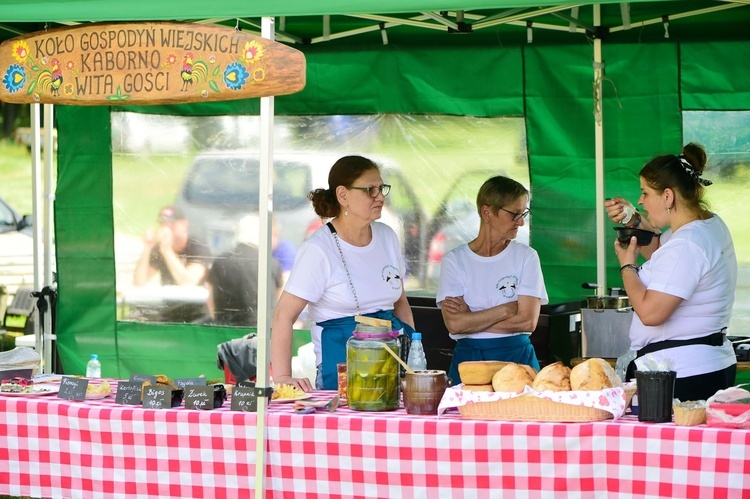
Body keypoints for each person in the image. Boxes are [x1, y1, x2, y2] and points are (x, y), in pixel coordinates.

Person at [604, 143, 737, 401]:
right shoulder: (706, 224)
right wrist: (633, 220)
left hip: (681, 374)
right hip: (703, 365)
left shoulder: (686, 244)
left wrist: (627, 265)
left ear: (667, 196)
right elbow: (661, 254)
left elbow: (651, 313)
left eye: (645, 193)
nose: (641, 201)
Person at [271, 155, 415, 391]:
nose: (380, 196)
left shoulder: (387, 237)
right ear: (343, 195)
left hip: (393, 370)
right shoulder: (318, 249)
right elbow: (283, 316)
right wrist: (283, 377)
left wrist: (414, 355)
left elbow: (401, 303)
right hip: (341, 376)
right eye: (370, 190)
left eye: (382, 188)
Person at [437, 175, 548, 384]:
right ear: (487, 212)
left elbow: (527, 321)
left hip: (517, 361)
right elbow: (454, 324)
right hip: (469, 362)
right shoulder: (454, 260)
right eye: (514, 214)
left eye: (523, 213)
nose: (521, 221)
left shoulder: (527, 256)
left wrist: (472, 318)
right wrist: (506, 309)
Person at [132, 205, 210, 322]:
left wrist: (167, 251)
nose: (166, 229)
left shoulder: (197, 246)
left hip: (197, 313)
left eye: (171, 225)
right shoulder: (161, 249)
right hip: (170, 311)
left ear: (184, 225)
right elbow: (139, 281)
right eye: (163, 225)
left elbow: (188, 282)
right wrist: (147, 248)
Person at [206, 215, 283, 326]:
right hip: (261, 334)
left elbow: (211, 300)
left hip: (226, 332)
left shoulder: (221, 261)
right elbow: (277, 296)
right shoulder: (271, 263)